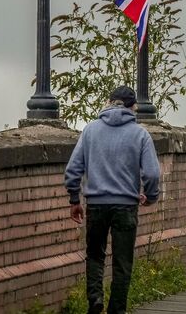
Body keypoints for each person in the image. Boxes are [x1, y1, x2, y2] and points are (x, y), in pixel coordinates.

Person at [64, 85, 162, 314]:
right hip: (126, 206)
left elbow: (73, 168)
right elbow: (152, 173)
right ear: (133, 107)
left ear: (109, 102)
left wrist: (73, 198)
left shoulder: (90, 130)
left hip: (96, 205)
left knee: (95, 254)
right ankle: (116, 309)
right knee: (122, 263)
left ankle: (95, 298)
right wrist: (151, 196)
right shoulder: (140, 134)